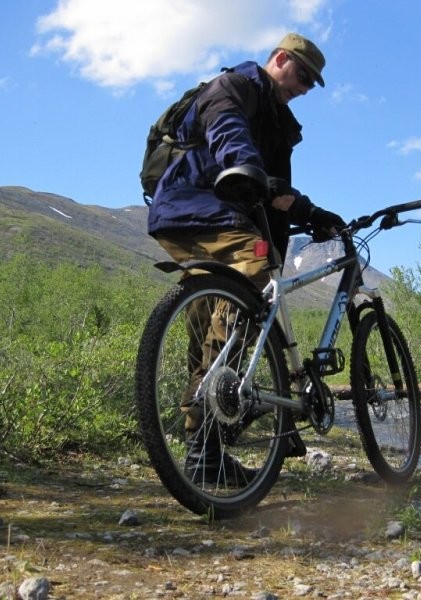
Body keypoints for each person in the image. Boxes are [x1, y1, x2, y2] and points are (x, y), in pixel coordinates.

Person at [146, 33, 345, 486]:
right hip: (200, 208)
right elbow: (228, 132)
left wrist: (307, 212)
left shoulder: (277, 120)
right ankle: (207, 438)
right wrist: (244, 171)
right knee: (250, 286)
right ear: (280, 59)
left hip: (196, 217)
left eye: (313, 83)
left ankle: (205, 450)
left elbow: (273, 189)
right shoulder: (234, 88)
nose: (306, 88)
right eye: (303, 76)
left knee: (206, 325)